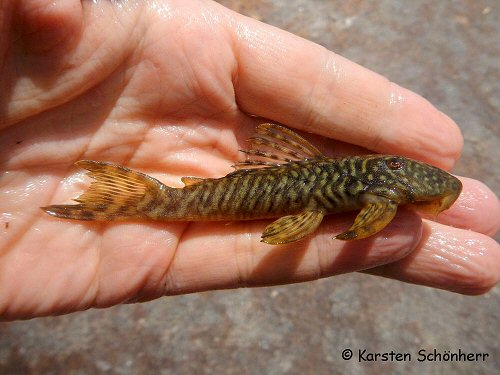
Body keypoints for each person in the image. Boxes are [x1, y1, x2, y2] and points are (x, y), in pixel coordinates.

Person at [0, 0, 498, 321]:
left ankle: (133, 200)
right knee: (165, 204)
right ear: (400, 188)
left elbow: (360, 227)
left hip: (267, 187)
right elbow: (361, 227)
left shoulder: (384, 190)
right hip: (258, 189)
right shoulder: (384, 193)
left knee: (168, 204)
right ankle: (135, 201)